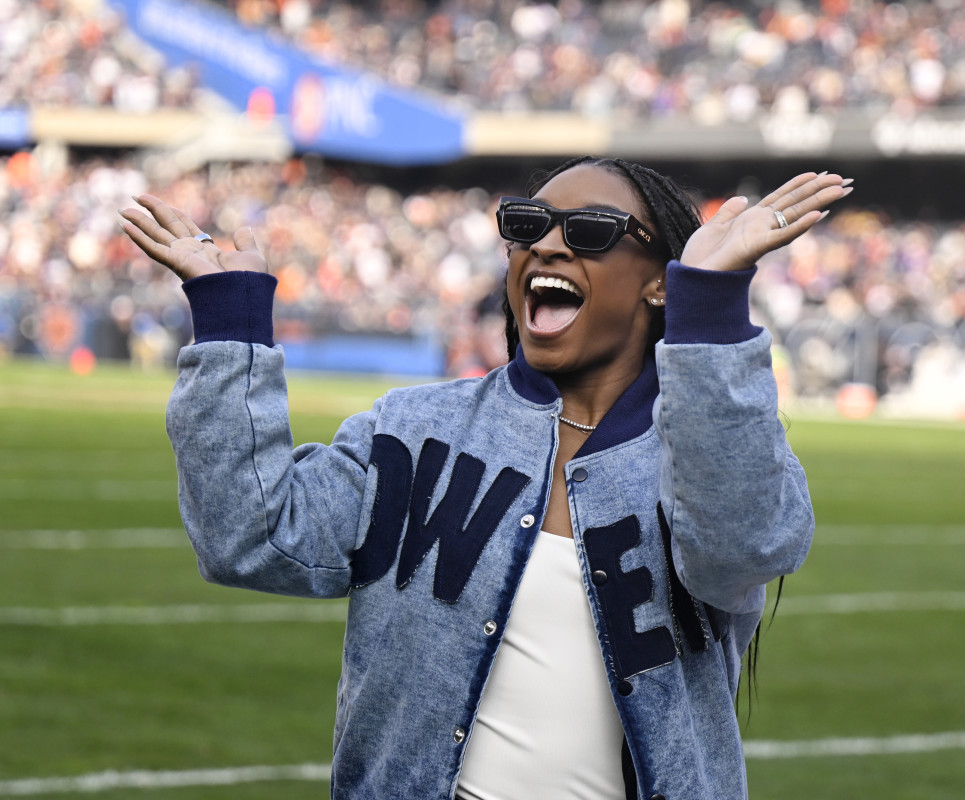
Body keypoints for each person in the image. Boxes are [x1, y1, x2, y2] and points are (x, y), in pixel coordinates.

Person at [119, 157, 851, 800]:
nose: (549, 243)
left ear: (660, 283)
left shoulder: (706, 456)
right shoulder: (412, 428)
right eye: (527, 223)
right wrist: (228, 325)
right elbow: (249, 536)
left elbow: (742, 550)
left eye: (591, 230)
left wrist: (713, 313)